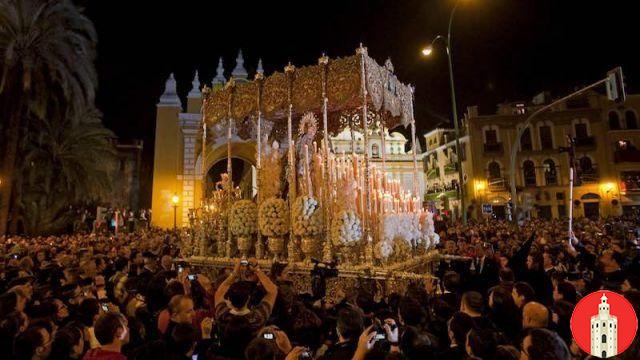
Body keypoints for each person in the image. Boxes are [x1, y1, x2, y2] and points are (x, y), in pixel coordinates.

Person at [214, 259, 278, 335]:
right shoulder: (257, 318)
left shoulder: (222, 315)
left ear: (229, 299)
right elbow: (273, 291)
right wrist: (257, 269)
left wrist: (235, 273)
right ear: (248, 298)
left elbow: (219, 292)